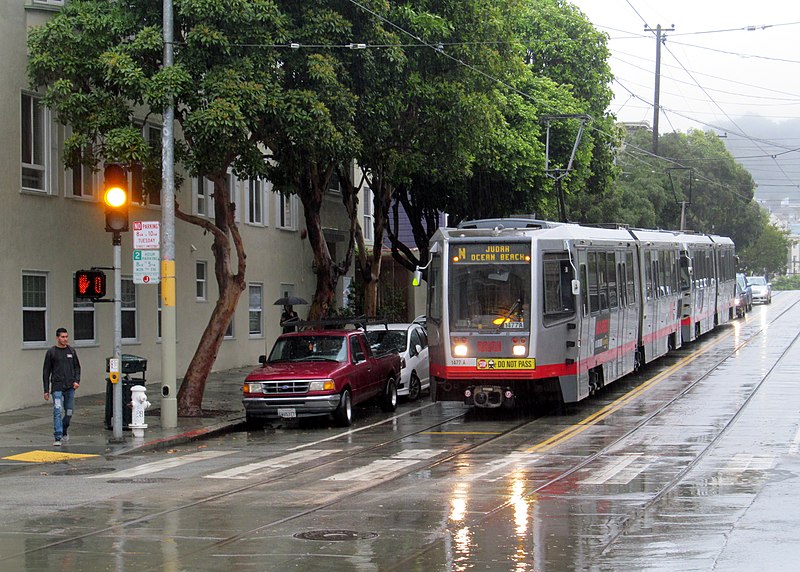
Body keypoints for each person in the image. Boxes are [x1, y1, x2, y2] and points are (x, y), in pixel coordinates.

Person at [42, 328, 81, 446]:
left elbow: (77, 367)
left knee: (69, 412)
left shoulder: (71, 351)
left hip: (70, 387)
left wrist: (76, 381)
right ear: (57, 338)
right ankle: (58, 436)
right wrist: (46, 390)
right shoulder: (51, 352)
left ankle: (64, 429)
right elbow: (46, 371)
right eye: (62, 337)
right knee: (57, 410)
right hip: (57, 386)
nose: (65, 339)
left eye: (66, 337)